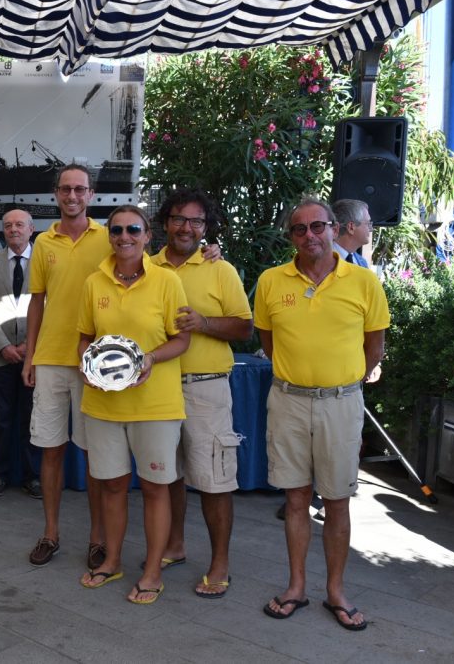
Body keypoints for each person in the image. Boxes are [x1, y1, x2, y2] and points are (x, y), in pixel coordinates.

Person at [255, 198, 389, 631]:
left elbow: (374, 346)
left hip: (340, 403)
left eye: (318, 226)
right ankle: (296, 587)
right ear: (291, 236)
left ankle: (336, 591)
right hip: (288, 401)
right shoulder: (271, 281)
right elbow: (270, 342)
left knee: (336, 500)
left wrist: (343, 382)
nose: (309, 235)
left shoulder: (364, 282)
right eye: (300, 229)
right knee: (295, 499)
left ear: (334, 228)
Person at [76, 206, 190, 604]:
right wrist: (85, 367)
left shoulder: (168, 281)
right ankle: (112, 561)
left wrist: (151, 359)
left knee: (157, 489)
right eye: (117, 230)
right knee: (111, 487)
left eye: (133, 230)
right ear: (109, 236)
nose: (124, 236)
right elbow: (85, 337)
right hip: (103, 404)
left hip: (155, 405)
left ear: (147, 236)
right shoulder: (94, 282)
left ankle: (153, 571)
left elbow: (182, 339)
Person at [152, 189, 253, 599]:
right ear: (165, 222)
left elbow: (245, 328)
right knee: (168, 476)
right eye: (179, 219)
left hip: (205, 388)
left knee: (214, 481)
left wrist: (204, 323)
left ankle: (219, 564)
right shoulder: (146, 266)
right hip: (157, 387)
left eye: (196, 221)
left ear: (205, 228)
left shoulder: (220, 268)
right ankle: (175, 545)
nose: (186, 228)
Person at [22, 164, 110, 569]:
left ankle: (97, 538)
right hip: (51, 360)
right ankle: (50, 534)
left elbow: (147, 269)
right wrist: (30, 355)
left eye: (79, 189)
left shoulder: (109, 237)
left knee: (94, 455)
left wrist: (208, 252)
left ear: (90, 194)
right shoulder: (43, 242)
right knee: (51, 451)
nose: (72, 196)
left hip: (95, 362)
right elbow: (36, 301)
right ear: (56, 194)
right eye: (65, 189)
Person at [0, 209, 41, 498]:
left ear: (31, 229)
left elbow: (52, 307)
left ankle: (33, 477)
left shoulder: (44, 261)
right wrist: (3, 345)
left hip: (34, 356)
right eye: (8, 225)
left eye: (19, 225)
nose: (13, 229)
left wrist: (30, 346)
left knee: (32, 419)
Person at [331, 199, 372, 267]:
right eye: (368, 223)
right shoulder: (321, 259)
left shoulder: (362, 262)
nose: (371, 229)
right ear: (351, 227)